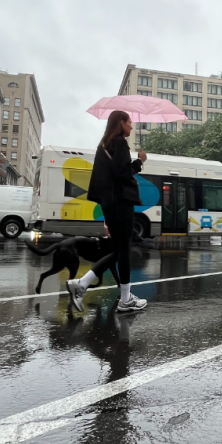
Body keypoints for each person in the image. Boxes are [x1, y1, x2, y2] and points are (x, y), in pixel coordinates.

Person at [70, 110, 148, 313]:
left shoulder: (104, 145)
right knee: (124, 251)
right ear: (121, 123)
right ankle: (124, 300)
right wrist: (139, 162)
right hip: (120, 203)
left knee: (118, 250)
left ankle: (83, 284)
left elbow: (107, 176)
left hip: (110, 203)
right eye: (130, 122)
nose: (132, 126)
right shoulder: (120, 143)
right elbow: (122, 173)